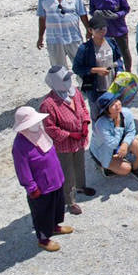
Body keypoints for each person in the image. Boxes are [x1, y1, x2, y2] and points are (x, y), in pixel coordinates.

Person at [11, 107, 73, 252]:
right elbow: (22, 169)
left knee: (57, 206)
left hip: (55, 180)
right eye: (33, 122)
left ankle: (55, 226)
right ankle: (43, 239)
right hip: (41, 187)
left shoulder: (40, 132)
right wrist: (31, 187)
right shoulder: (19, 145)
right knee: (42, 213)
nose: (38, 123)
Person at [40, 66, 94, 215]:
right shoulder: (48, 104)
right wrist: (69, 134)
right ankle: (70, 201)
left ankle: (81, 186)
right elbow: (50, 128)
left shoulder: (74, 91)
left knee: (80, 164)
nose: (68, 81)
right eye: (65, 79)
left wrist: (84, 124)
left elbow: (83, 108)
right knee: (67, 172)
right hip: (64, 145)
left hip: (79, 139)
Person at [36, 0, 90, 69]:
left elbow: (82, 13)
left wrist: (88, 29)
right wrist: (40, 37)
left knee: (82, 67)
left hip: (73, 38)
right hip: (54, 40)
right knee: (58, 71)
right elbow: (42, 18)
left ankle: (83, 85)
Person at [73, 11, 123, 110]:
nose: (102, 31)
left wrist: (120, 71)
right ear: (90, 30)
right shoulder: (84, 48)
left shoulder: (111, 42)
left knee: (115, 113)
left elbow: (118, 59)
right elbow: (76, 68)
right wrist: (95, 70)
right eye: (99, 29)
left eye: (104, 28)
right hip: (95, 90)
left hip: (113, 87)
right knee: (97, 117)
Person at [89, 90, 138, 180]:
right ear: (107, 111)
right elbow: (113, 144)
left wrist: (125, 144)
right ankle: (106, 168)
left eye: (116, 100)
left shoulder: (126, 112)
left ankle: (136, 168)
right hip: (104, 151)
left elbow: (131, 131)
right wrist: (118, 125)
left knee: (136, 143)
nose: (117, 104)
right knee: (126, 169)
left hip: (119, 144)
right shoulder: (101, 125)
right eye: (112, 104)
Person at [88, 0, 132, 71]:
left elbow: (126, 9)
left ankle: (128, 71)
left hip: (119, 29)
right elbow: (91, 10)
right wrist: (96, 14)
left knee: (124, 51)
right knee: (107, 53)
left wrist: (117, 15)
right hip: (104, 31)